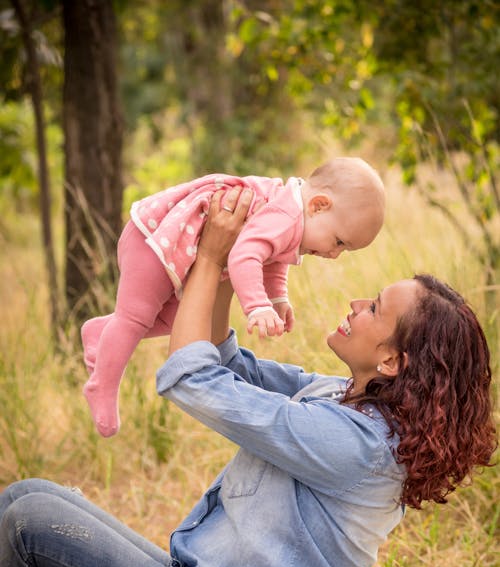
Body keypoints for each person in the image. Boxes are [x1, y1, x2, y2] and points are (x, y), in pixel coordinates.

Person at [0, 188, 495, 567]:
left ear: (392, 360)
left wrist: (210, 257)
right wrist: (229, 266)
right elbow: (230, 364)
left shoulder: (358, 444)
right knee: (28, 496)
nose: (357, 304)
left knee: (32, 522)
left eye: (374, 308)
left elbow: (194, 378)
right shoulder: (343, 400)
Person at [81, 156, 385, 437]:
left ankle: (100, 334)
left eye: (344, 249)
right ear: (319, 205)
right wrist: (257, 307)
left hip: (172, 246)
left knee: (174, 319)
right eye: (339, 241)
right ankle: (102, 387)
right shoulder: (285, 214)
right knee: (135, 316)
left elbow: (273, 259)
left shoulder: (291, 218)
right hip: (154, 239)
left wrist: (278, 299)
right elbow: (245, 255)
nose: (335, 254)